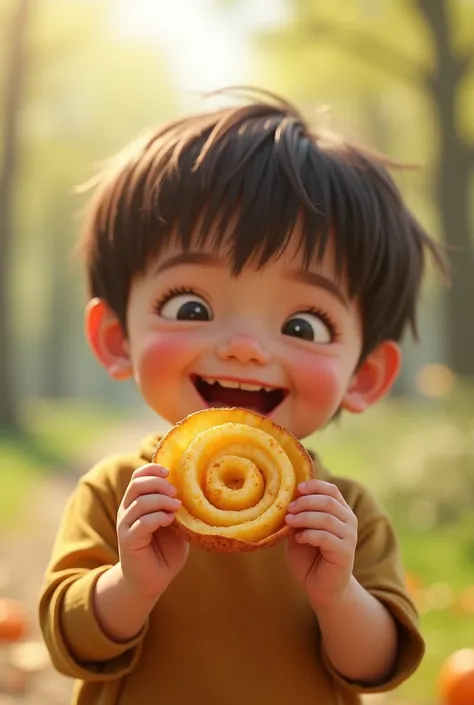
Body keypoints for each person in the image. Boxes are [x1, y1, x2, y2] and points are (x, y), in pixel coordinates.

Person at [38, 88, 448, 705]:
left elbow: (380, 664)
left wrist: (338, 597)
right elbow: (72, 643)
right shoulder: (121, 492)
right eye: (191, 307)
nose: (244, 348)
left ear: (364, 375)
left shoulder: (345, 516)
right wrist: (129, 583)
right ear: (118, 338)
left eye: (302, 325)